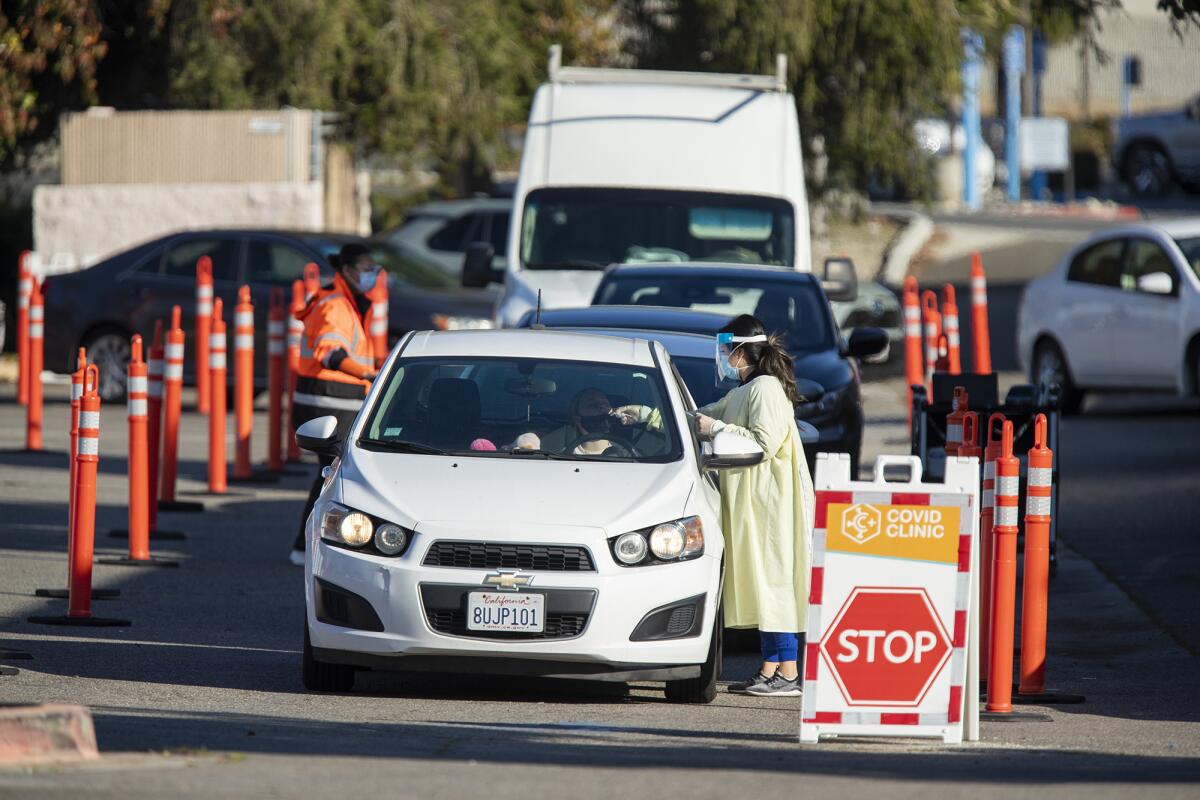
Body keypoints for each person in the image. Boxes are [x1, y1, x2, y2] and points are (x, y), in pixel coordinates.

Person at [695, 314, 815, 697]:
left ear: (742, 350)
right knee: (765, 587)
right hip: (753, 504)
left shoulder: (765, 388)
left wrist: (715, 430)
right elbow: (707, 413)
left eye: (727, 350)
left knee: (776, 584)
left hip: (770, 506)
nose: (725, 357)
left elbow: (763, 442)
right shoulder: (744, 390)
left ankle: (789, 672)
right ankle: (770, 668)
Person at [289, 243, 381, 564]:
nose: (372, 274)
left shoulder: (346, 303)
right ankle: (306, 546)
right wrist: (368, 372)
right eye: (366, 267)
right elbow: (329, 352)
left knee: (328, 475)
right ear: (347, 270)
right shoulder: (335, 306)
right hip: (326, 401)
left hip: (333, 400)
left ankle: (306, 546)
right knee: (331, 475)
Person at [540, 387, 660, 455]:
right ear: (577, 417)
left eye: (604, 403)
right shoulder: (557, 452)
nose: (600, 407)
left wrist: (646, 415)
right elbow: (530, 449)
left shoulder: (637, 445)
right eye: (591, 405)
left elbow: (675, 436)